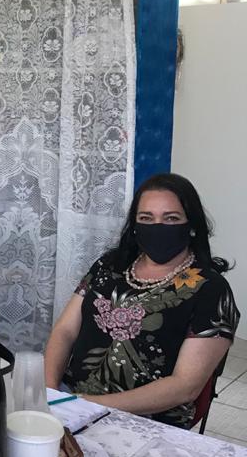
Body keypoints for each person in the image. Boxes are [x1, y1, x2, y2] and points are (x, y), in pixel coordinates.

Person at [45, 173, 240, 428]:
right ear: (135, 225)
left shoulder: (211, 290)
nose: (157, 226)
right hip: (71, 401)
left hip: (146, 420)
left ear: (191, 225)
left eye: (171, 218)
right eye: (146, 218)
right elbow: (65, 331)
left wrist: (88, 404)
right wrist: (50, 395)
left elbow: (185, 386)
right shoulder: (110, 266)